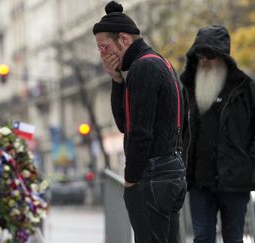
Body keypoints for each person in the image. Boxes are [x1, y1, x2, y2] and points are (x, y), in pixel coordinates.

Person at [93, 1, 187, 243]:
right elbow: (127, 122)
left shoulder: (143, 68)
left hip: (153, 173)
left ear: (124, 39)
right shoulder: (159, 62)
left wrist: (131, 177)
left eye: (104, 47)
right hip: (172, 169)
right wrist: (116, 81)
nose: (103, 55)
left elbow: (137, 131)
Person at [180, 25, 255, 243]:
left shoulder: (246, 86)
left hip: (235, 181)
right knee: (202, 237)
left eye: (211, 55)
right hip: (199, 181)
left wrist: (251, 158)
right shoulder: (186, 87)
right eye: (200, 55)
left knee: (233, 237)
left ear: (223, 56)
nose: (205, 60)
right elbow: (177, 127)